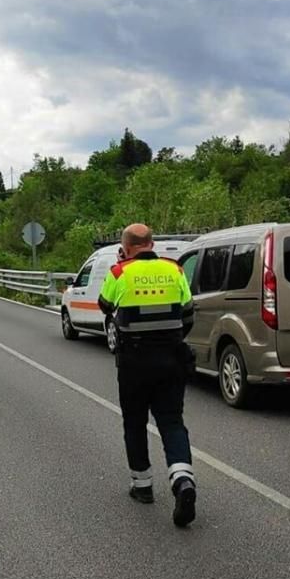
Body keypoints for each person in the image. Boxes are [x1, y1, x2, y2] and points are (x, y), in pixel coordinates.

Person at [98, 224, 197, 527]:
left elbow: (105, 305)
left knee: (134, 422)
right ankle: (182, 481)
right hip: (170, 359)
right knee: (171, 421)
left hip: (134, 362)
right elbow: (188, 313)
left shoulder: (118, 272)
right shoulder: (175, 270)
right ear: (152, 244)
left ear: (126, 247)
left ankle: (142, 487)